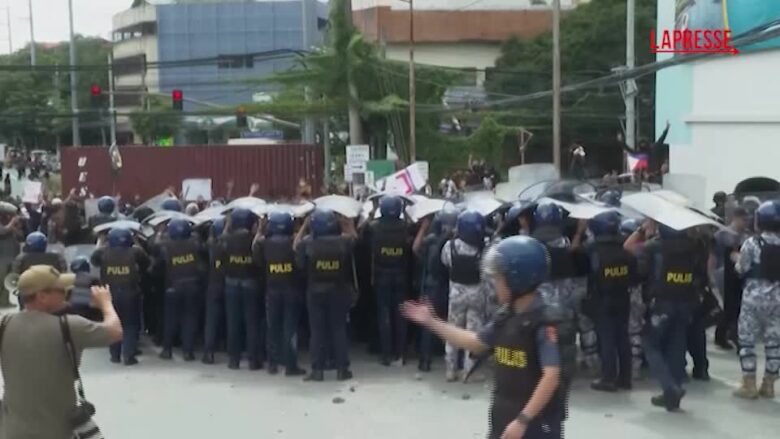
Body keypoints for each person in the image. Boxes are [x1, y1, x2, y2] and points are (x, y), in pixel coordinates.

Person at [403, 236, 567, 439]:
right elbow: (476, 342)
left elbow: (551, 376)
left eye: (499, 278)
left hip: (536, 425)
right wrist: (432, 322)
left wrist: (523, 420)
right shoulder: (507, 315)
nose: (495, 284)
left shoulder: (543, 321)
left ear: (518, 279)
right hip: (506, 417)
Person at [0, 265, 122, 439]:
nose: (66, 292)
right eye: (60, 289)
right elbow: (115, 331)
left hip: (12, 430)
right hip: (57, 430)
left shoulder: (4, 324)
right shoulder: (69, 325)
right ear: (42, 296)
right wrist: (106, 304)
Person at [625, 222, 699, 411]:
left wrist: (643, 229)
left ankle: (670, 387)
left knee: (650, 344)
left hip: (662, 302)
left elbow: (628, 248)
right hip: (686, 302)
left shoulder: (654, 247)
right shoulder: (695, 246)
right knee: (676, 346)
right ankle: (673, 393)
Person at [295, 208, 357, 382]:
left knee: (317, 332)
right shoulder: (343, 242)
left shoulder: (307, 244)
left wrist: (304, 226)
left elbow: (296, 251)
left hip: (315, 292)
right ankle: (342, 369)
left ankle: (317, 370)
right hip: (338, 291)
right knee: (339, 330)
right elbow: (354, 239)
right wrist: (348, 224)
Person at [732, 200, 780, 399]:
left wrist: (736, 259)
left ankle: (749, 385)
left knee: (747, 341)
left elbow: (741, 269)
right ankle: (768, 384)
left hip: (753, 299)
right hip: (778, 300)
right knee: (774, 342)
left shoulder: (752, 243)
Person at [586, 211, 636, 392]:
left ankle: (608, 378)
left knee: (606, 338)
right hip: (623, 297)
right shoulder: (626, 253)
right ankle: (625, 377)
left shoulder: (592, 250)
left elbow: (589, 274)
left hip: (602, 299)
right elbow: (634, 277)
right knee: (623, 337)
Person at [363, 195, 411, 366]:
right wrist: (405, 211)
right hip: (400, 275)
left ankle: (386, 354)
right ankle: (401, 353)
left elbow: (362, 232)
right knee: (400, 315)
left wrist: (371, 211)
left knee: (383, 315)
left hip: (381, 275)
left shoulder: (374, 227)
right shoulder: (405, 227)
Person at [91, 227, 149, 365]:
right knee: (130, 325)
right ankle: (129, 355)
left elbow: (93, 260)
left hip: (109, 294)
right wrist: (136, 242)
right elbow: (146, 263)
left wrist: (100, 240)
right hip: (131, 293)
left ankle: (115, 355)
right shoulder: (136, 252)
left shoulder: (103, 252)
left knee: (112, 322)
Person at [440, 209, 487, 382]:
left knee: (452, 332)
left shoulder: (450, 246)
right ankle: (469, 370)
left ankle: (450, 370)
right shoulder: (485, 248)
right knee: (473, 334)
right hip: (477, 294)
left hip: (456, 294)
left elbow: (445, 263)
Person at [259, 211, 306, 376]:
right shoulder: (294, 243)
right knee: (289, 329)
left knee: (272, 328)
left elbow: (256, 253)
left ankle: (272, 363)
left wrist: (260, 229)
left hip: (272, 290)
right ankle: (290, 365)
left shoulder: (266, 244)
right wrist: (304, 226)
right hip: (291, 290)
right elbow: (301, 266)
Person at [220, 207, 264, 370]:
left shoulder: (227, 239)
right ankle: (253, 360)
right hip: (250, 283)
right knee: (251, 322)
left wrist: (227, 223)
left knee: (233, 322)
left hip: (231, 282)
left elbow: (221, 250)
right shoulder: (254, 239)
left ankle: (234, 359)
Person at [413, 209, 457, 372]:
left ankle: (425, 360)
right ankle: (455, 362)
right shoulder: (457, 242)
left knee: (428, 324)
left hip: (431, 286)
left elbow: (415, 249)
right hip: (450, 286)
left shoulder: (431, 240)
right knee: (452, 322)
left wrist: (423, 228)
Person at [158, 219, 204, 361]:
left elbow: (156, 254)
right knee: (189, 319)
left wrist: (160, 232)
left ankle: (167, 350)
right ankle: (188, 352)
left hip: (173, 287)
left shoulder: (165, 246)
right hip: (192, 286)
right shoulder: (195, 244)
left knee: (170, 319)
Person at [714, 207, 749, 349]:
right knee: (729, 307)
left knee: (734, 307)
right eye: (744, 220)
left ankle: (723, 335)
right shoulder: (724, 234)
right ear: (736, 218)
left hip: (738, 275)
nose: (745, 223)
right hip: (725, 273)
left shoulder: (744, 236)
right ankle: (728, 336)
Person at [619, 218, 646, 379]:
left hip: (633, 293)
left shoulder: (635, 250)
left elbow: (627, 246)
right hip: (641, 292)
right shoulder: (648, 246)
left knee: (632, 329)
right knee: (636, 330)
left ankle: (633, 366)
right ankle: (636, 364)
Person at [202, 218, 225, 364]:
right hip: (226, 284)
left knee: (211, 319)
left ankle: (208, 351)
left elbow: (210, 240)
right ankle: (225, 345)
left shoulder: (211, 246)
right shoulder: (229, 245)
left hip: (213, 285)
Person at [0, 208, 23, 306]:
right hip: (2, 257)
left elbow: (20, 235)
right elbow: (3, 231)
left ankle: (4, 301)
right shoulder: (4, 227)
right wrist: (12, 222)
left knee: (7, 281)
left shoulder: (9, 225)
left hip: (11, 256)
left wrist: (16, 225)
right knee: (1, 280)